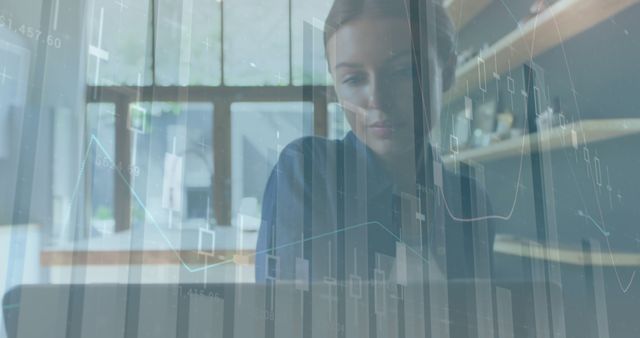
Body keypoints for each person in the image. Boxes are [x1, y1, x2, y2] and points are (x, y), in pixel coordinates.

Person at [255, 0, 494, 285]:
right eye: (354, 79)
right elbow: (291, 321)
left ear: (447, 72)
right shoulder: (307, 172)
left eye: (404, 71)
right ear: (335, 85)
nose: (378, 101)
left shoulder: (470, 200)